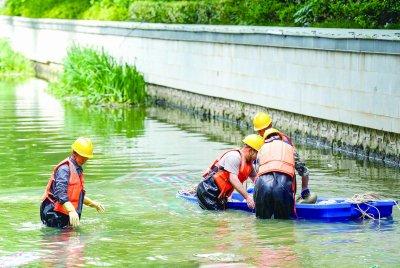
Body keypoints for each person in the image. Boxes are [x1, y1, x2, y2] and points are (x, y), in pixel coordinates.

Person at [40, 137, 105, 228]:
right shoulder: (64, 169)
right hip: (53, 214)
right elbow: (60, 193)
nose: (85, 160)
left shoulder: (77, 169)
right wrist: (71, 211)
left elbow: (76, 196)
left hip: (64, 213)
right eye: (83, 157)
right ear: (74, 153)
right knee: (61, 240)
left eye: (86, 158)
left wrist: (93, 204)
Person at [254, 128, 316, 219]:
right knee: (283, 222)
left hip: (263, 185)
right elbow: (304, 171)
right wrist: (304, 189)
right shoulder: (290, 149)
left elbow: (257, 170)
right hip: (283, 186)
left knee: (261, 222)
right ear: (280, 137)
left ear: (265, 139)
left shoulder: (261, 149)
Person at [196, 134, 264, 210]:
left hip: (220, 194)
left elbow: (256, 179)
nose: (257, 158)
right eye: (258, 154)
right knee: (218, 218)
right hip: (209, 190)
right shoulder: (234, 157)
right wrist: (247, 197)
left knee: (222, 216)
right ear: (251, 150)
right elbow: (233, 179)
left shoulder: (248, 163)